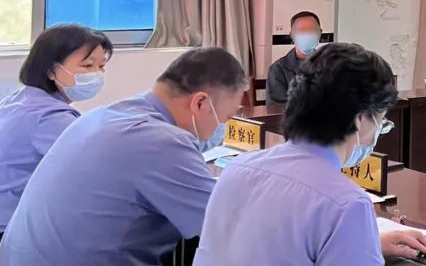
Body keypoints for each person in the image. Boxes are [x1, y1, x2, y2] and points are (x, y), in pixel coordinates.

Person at [195, 43, 426, 266]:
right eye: (381, 121)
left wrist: (366, 246)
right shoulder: (345, 203)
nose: (378, 131)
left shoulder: (239, 169)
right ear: (360, 120)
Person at [0, 47, 247, 265]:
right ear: (200, 103)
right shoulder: (163, 143)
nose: (222, 127)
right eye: (226, 118)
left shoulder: (108, 114)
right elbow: (230, 226)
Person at [0, 25, 113, 238]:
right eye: (87, 65)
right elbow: (98, 168)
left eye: (101, 66)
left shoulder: (23, 98)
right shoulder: (49, 117)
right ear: (51, 70)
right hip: (7, 230)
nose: (97, 74)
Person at [267, 11, 323, 105]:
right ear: (292, 35)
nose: (307, 34)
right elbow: (276, 108)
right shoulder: (278, 69)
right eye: (301, 30)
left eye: (312, 30)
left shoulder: (332, 65)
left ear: (320, 33)